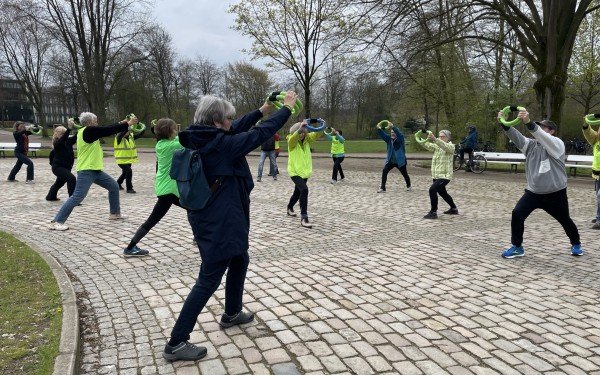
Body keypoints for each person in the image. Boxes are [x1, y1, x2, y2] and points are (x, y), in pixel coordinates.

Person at [162, 92, 297, 362]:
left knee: (240, 259)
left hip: (220, 215)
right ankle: (176, 342)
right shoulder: (220, 145)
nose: (231, 121)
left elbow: (240, 126)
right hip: (219, 220)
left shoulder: (204, 136)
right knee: (209, 278)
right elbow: (259, 134)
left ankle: (232, 312)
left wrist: (264, 108)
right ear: (216, 121)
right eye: (228, 117)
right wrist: (286, 111)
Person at [497, 110, 582, 258]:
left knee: (565, 220)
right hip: (533, 193)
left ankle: (576, 243)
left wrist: (529, 123)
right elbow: (515, 136)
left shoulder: (557, 144)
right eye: (538, 127)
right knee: (517, 214)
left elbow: (542, 137)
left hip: (555, 193)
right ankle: (517, 247)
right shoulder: (530, 145)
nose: (539, 130)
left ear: (552, 131)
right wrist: (504, 123)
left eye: (544, 128)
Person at [47, 112, 136, 231]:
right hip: (87, 170)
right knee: (77, 196)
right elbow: (107, 130)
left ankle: (115, 214)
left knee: (114, 187)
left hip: (95, 170)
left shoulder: (85, 131)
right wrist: (127, 124)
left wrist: (121, 123)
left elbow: (106, 128)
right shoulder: (88, 131)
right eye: (95, 121)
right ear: (90, 122)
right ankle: (57, 221)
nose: (97, 123)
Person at [122, 118, 184, 257]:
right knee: (197, 210)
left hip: (165, 188)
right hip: (170, 190)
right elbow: (187, 141)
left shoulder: (162, 144)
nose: (177, 131)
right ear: (169, 133)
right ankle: (202, 238)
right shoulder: (171, 146)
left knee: (153, 220)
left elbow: (179, 139)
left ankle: (131, 247)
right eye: (175, 129)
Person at [286, 119, 323, 228]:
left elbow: (317, 133)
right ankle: (304, 217)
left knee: (297, 193)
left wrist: (321, 125)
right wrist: (299, 129)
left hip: (304, 172)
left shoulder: (307, 139)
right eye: (299, 132)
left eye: (303, 132)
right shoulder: (291, 142)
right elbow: (292, 140)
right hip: (294, 172)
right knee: (304, 190)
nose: (301, 134)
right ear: (295, 132)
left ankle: (289, 207)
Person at [418, 130, 458, 219]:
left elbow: (445, 146)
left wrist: (435, 139)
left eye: (442, 136)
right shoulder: (437, 147)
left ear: (448, 137)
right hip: (436, 175)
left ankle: (433, 212)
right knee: (443, 193)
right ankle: (454, 208)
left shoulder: (451, 147)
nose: (440, 138)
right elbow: (428, 145)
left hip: (445, 176)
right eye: (439, 136)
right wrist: (420, 139)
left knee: (432, 190)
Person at [46, 121, 77, 201]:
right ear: (57, 135)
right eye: (62, 134)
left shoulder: (69, 142)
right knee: (71, 179)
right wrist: (69, 129)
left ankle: (50, 196)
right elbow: (62, 140)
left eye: (64, 133)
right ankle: (72, 200)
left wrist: (82, 127)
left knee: (59, 183)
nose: (64, 135)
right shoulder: (57, 143)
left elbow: (77, 136)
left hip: (67, 167)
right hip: (58, 167)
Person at [376, 123, 411, 192]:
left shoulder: (400, 139)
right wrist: (379, 128)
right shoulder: (389, 139)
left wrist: (393, 127)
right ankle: (383, 188)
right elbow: (383, 135)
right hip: (391, 161)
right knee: (384, 171)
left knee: (405, 174)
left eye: (394, 132)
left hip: (400, 162)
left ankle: (409, 185)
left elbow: (400, 134)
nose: (393, 133)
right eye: (392, 132)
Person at [114, 126, 145, 193]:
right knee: (129, 171)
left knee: (125, 173)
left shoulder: (131, 137)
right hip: (121, 160)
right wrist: (127, 126)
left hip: (128, 160)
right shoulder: (118, 138)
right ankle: (129, 188)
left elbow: (140, 134)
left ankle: (117, 184)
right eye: (126, 131)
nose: (127, 132)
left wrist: (143, 128)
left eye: (128, 131)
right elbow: (122, 133)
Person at [582, 118, 600, 229]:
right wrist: (586, 122)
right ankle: (599, 216)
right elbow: (588, 132)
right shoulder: (596, 140)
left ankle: (599, 218)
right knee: (598, 196)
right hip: (598, 175)